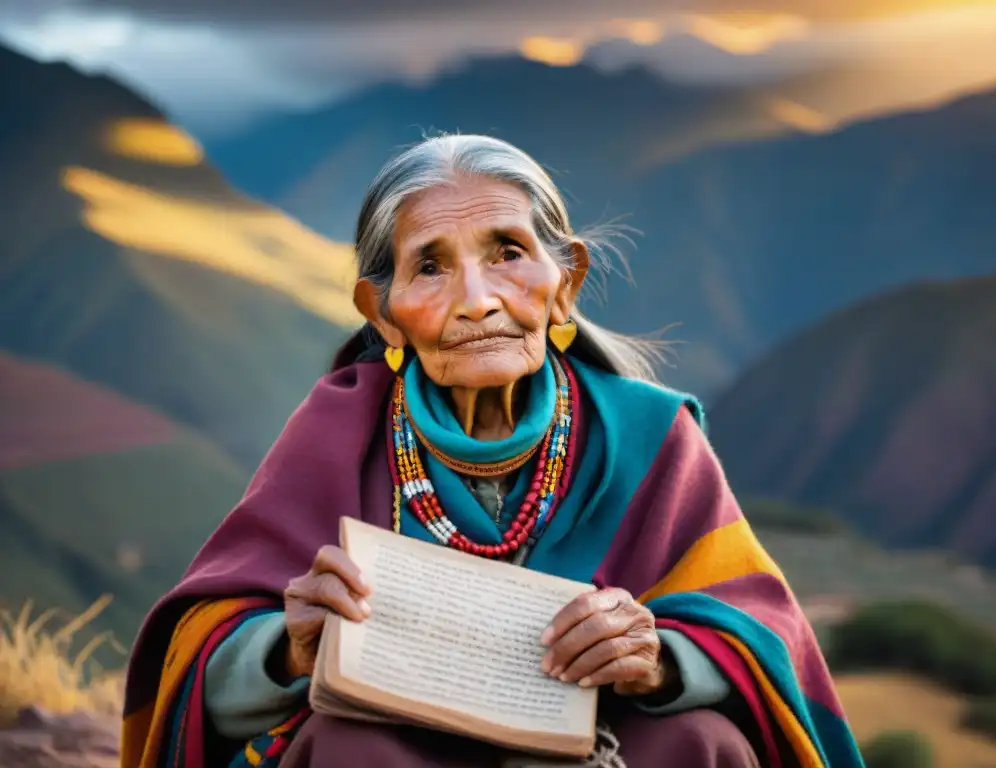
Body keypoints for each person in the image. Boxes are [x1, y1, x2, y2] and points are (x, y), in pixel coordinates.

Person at [121, 135, 864, 768]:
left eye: (508, 252)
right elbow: (200, 656)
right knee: (343, 741)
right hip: (401, 751)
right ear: (382, 314)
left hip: (600, 749)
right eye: (431, 266)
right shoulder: (334, 435)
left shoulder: (649, 436)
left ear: (563, 280)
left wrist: (660, 658)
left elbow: (764, 638)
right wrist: (288, 649)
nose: (477, 298)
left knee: (701, 739)